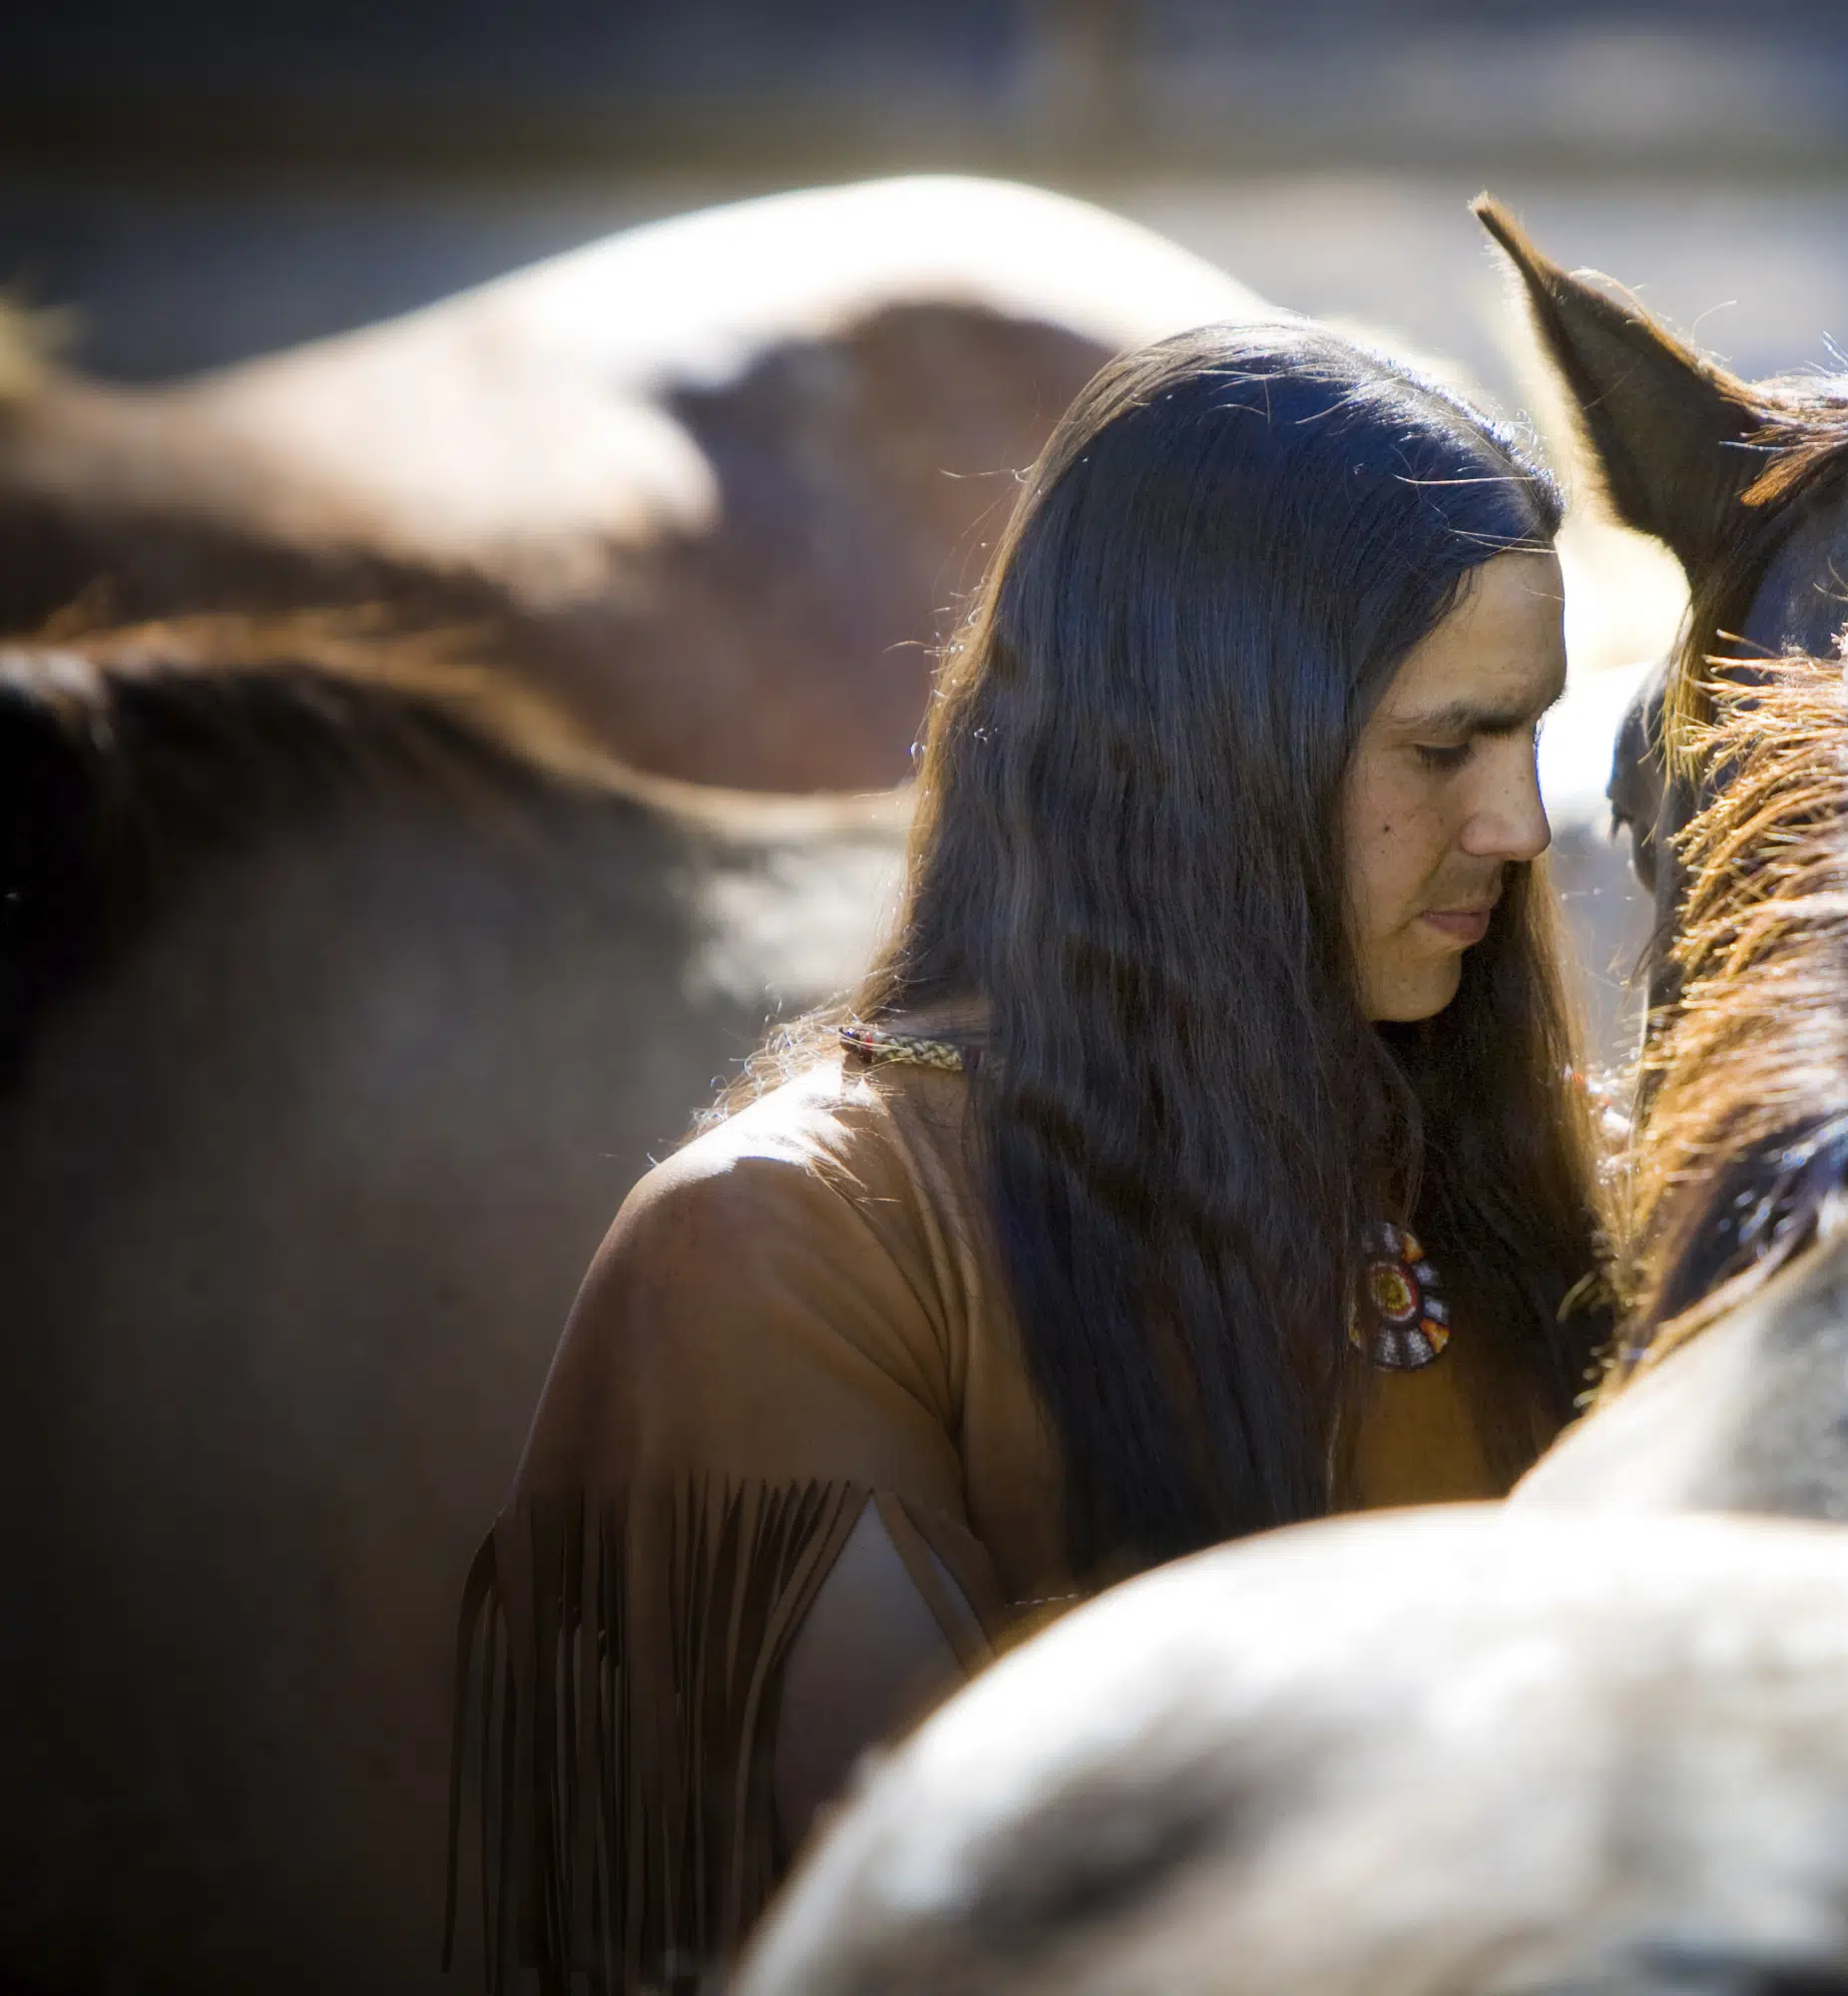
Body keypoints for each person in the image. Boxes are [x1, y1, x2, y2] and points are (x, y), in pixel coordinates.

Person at [451, 320, 1611, 1986]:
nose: (1515, 823)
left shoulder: (1551, 1183)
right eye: (1444, 748)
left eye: (1529, 739)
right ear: (1196, 747)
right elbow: (955, 1919)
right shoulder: (788, 1254)